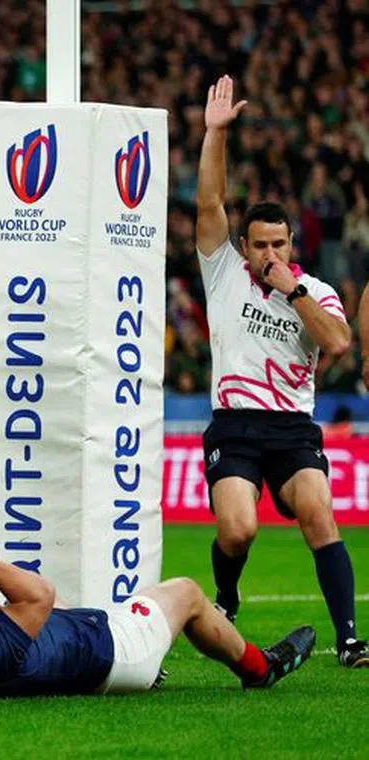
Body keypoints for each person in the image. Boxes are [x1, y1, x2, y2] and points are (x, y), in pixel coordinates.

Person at [195, 76, 366, 668]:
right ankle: (225, 596)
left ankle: (348, 639)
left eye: (280, 244)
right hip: (236, 424)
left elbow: (340, 344)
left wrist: (292, 293)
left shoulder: (312, 290)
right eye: (260, 245)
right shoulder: (222, 272)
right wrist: (215, 134)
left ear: (293, 246)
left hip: (293, 427)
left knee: (318, 509)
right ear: (243, 246)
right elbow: (209, 204)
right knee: (238, 530)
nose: (270, 254)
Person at [0, 556, 315, 696]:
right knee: (185, 591)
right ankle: (259, 668)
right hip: (119, 653)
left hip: (80, 652)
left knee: (47, 605)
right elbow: (38, 594)